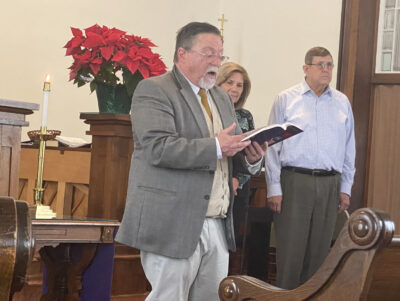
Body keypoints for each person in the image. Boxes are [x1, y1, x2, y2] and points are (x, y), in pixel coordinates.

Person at [116, 22, 267, 301]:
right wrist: (216, 146)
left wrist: (251, 158)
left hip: (217, 222)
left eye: (219, 55)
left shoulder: (220, 97)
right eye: (208, 53)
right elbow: (158, 148)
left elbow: (228, 152)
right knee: (169, 297)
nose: (215, 61)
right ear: (181, 54)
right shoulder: (155, 90)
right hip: (173, 219)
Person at [265, 46, 356, 290]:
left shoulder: (341, 102)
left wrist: (345, 187)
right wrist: (273, 187)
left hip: (330, 183)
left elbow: (349, 148)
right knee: (291, 253)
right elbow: (271, 145)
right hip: (295, 181)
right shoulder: (287, 99)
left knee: (319, 255)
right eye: (320, 65)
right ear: (306, 68)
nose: (326, 70)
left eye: (330, 65)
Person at [216, 62, 271, 281]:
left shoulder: (244, 116)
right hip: (212, 183)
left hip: (238, 189)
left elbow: (247, 153)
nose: (235, 88)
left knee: (229, 242)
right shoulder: (208, 112)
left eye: (240, 85)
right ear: (218, 82)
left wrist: (238, 178)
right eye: (230, 82)